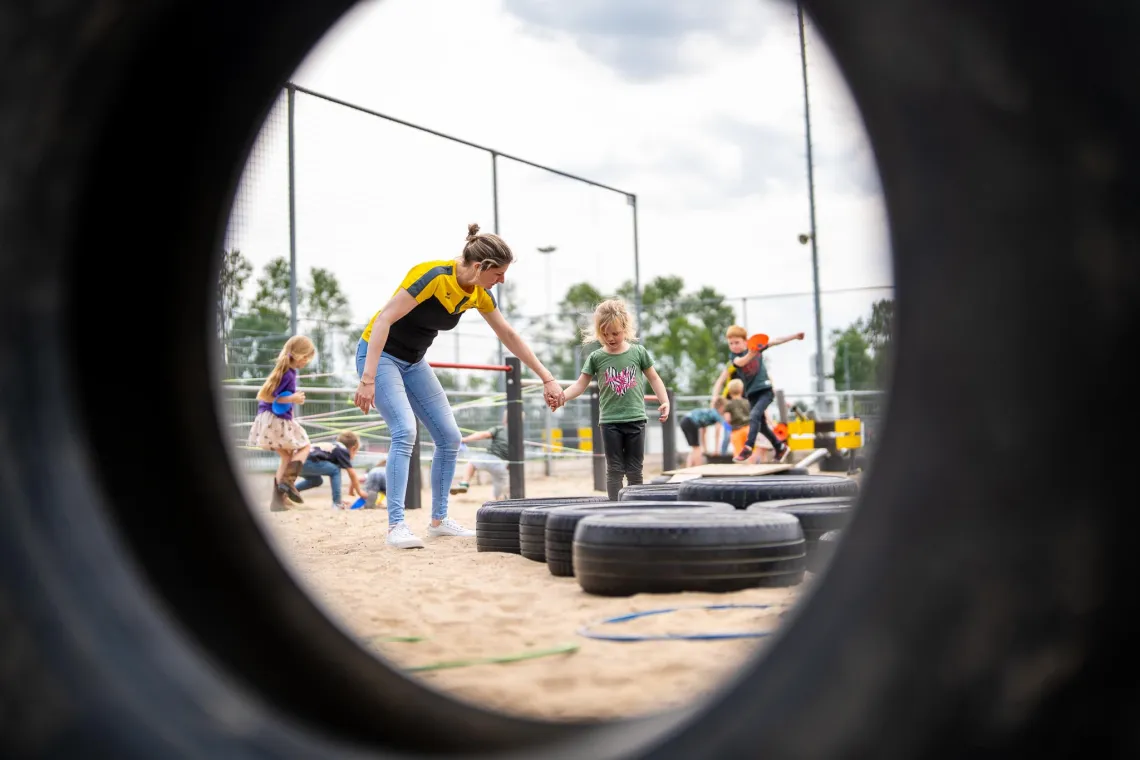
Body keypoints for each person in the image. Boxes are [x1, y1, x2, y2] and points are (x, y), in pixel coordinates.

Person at [353, 223, 565, 549]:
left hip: (413, 362)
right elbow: (383, 320)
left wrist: (546, 377)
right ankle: (396, 525)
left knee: (450, 437)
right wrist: (367, 379)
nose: (502, 280)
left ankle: (439, 521)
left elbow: (509, 334)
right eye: (499, 274)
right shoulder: (434, 276)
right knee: (405, 431)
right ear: (481, 267)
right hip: (378, 356)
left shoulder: (479, 293)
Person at [562, 299, 670, 500]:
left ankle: (635, 506)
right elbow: (580, 384)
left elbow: (654, 377)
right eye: (605, 334)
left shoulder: (638, 352)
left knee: (635, 470)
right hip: (610, 422)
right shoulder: (596, 357)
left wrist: (664, 401)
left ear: (625, 329)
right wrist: (562, 396)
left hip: (636, 419)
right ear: (598, 332)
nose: (610, 338)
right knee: (614, 469)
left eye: (615, 333)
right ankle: (614, 507)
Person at [711, 325, 804, 464]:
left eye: (737, 342)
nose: (734, 346)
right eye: (731, 343)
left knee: (753, 416)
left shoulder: (755, 346)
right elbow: (741, 362)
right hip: (752, 394)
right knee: (763, 427)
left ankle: (748, 447)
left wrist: (794, 336)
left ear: (745, 341)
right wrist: (753, 352)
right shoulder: (734, 357)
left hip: (765, 390)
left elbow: (775, 341)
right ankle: (780, 447)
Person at [247, 335, 314, 512]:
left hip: (268, 418)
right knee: (305, 445)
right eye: (306, 357)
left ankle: (278, 500)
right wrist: (293, 398)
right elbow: (267, 395)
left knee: (287, 455)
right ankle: (288, 482)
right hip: (275, 419)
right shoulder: (288, 373)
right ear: (299, 355)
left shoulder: (286, 371)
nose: (307, 362)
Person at [296, 431, 366, 510]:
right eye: (356, 452)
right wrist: (359, 491)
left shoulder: (334, 447)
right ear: (353, 448)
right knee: (335, 470)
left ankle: (291, 491)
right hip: (308, 461)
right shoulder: (343, 450)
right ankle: (337, 503)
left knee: (316, 480)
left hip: (296, 464)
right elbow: (352, 473)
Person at [450, 411, 510, 500]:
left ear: (504, 419)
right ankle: (502, 499)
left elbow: (483, 435)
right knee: (500, 494)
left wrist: (465, 439)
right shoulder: (518, 435)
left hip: (490, 459)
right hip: (503, 466)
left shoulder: (500, 429)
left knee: (472, 462)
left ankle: (464, 483)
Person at [680, 397, 728, 468]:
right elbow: (717, 433)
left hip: (684, 420)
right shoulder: (717, 415)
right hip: (690, 421)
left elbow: (703, 431)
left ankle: (688, 467)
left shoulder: (708, 413)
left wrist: (705, 449)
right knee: (697, 449)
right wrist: (716, 450)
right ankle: (698, 468)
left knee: (695, 447)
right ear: (721, 407)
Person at [723, 378, 752, 458]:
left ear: (729, 392)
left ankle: (741, 468)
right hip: (749, 429)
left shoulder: (729, 404)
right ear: (742, 390)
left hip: (737, 431)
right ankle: (752, 467)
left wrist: (729, 426)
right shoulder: (747, 402)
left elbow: (727, 419)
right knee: (749, 451)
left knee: (739, 453)